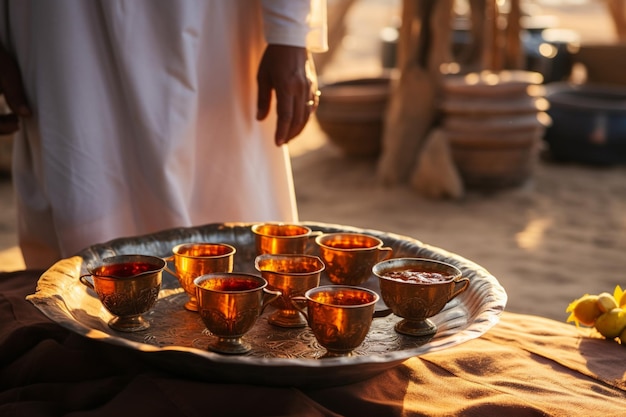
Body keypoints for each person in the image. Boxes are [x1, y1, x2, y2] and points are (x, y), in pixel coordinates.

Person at [0, 0, 327, 269]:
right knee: (85, 202)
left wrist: (290, 30)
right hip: (63, 24)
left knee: (232, 198)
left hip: (215, 23)